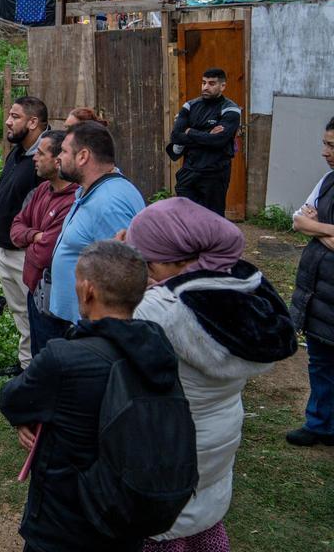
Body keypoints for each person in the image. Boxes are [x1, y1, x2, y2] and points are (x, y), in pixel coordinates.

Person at [125, 198, 296, 551]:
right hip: (220, 426)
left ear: (177, 259)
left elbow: (104, 333)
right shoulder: (240, 285)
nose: (145, 270)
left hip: (170, 441)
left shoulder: (160, 310)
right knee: (203, 509)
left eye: (149, 261)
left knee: (166, 525)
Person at [0, 240, 184, 552]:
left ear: (87, 291)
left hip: (64, 524)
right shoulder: (157, 350)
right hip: (126, 516)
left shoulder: (63, 358)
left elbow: (12, 399)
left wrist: (24, 420)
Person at [48, 121, 145, 334]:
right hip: (76, 320)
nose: (58, 158)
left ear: (82, 156)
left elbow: (122, 276)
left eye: (64, 151)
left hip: (92, 328)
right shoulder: (93, 191)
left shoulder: (110, 203)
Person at [0, 96, 48, 375]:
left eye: (15, 116)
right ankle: (27, 363)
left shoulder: (45, 160)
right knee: (19, 310)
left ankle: (38, 369)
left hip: (25, 252)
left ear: (33, 122)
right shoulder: (18, 152)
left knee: (34, 311)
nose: (8, 121)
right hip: (5, 248)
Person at [286, 115, 334, 447]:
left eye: (331, 145)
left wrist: (315, 227)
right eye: (325, 143)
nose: (324, 151)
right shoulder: (329, 181)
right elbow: (298, 220)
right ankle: (319, 424)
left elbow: (308, 223)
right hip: (319, 294)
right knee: (319, 363)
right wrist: (325, 231)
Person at [9, 130, 78, 356]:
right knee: (38, 352)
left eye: (40, 153)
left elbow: (43, 255)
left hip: (53, 300)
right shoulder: (42, 190)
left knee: (51, 358)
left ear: (58, 161)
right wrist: (34, 235)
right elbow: (16, 228)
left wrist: (31, 240)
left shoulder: (72, 201)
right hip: (34, 290)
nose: (35, 158)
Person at [166, 68, 241, 216]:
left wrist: (191, 131)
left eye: (212, 83)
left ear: (222, 86)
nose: (205, 87)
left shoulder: (230, 109)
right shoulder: (190, 106)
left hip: (214, 173)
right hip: (189, 171)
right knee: (185, 216)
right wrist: (208, 135)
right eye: (203, 82)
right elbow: (176, 137)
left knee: (212, 218)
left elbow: (219, 141)